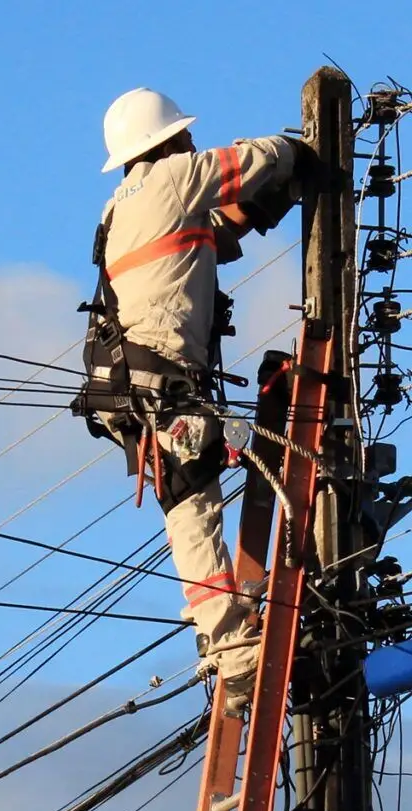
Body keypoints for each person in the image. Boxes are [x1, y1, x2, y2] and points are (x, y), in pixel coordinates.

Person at [74, 87, 308, 711]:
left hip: (131, 389)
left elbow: (212, 239)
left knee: (188, 510)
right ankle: (235, 653)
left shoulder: (119, 207)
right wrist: (305, 151)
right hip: (161, 384)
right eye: (185, 136)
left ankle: (224, 647)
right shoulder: (174, 176)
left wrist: (264, 205)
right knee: (196, 505)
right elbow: (253, 159)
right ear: (169, 140)